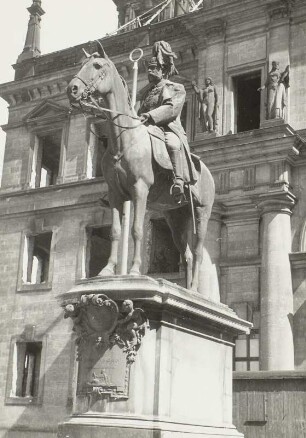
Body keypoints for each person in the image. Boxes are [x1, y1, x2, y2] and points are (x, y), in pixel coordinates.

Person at [138, 41, 197, 204]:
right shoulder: (145, 93)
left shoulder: (176, 87)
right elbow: (139, 112)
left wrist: (150, 116)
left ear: (162, 70)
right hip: (146, 128)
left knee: (172, 143)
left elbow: (172, 108)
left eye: (153, 68)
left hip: (167, 128)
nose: (149, 71)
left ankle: (178, 180)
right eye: (148, 68)